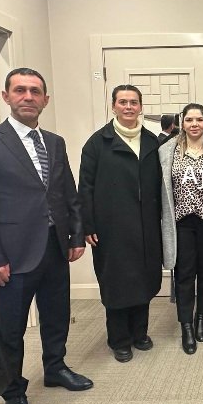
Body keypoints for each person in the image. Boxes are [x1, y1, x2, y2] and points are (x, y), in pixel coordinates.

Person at [0, 68, 92, 404]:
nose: (28, 97)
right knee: (12, 328)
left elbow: (68, 193)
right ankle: (13, 392)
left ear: (45, 100)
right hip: (13, 254)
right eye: (20, 90)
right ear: (6, 96)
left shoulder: (54, 142)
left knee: (56, 315)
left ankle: (55, 368)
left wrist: (76, 235)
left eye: (35, 91)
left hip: (55, 247)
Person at [78, 84, 162, 363]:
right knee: (117, 283)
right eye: (123, 102)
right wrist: (87, 225)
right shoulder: (97, 143)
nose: (128, 107)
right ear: (113, 106)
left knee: (144, 279)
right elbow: (85, 187)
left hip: (146, 225)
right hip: (111, 227)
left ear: (140, 107)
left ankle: (140, 333)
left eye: (133, 102)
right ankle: (120, 340)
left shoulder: (151, 141)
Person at [160, 103, 203, 354]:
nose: (194, 124)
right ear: (182, 123)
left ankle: (202, 317)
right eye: (189, 120)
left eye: (199, 119)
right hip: (181, 223)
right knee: (185, 275)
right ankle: (186, 325)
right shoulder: (168, 150)